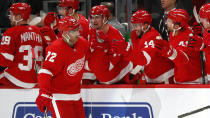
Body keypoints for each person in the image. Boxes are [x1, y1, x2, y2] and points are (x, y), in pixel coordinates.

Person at [36, 16, 89, 118]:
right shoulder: (56, 49)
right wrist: (43, 91)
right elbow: (45, 72)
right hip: (60, 98)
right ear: (65, 33)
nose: (78, 33)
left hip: (77, 96)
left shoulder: (83, 44)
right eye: (74, 31)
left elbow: (89, 61)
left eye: (78, 29)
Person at [0, 3, 45, 88]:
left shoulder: (11, 32)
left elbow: (4, 61)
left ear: (19, 17)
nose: (9, 17)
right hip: (36, 79)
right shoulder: (39, 31)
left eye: (12, 15)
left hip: (16, 79)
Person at [85, 5, 132, 84]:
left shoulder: (115, 36)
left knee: (105, 77)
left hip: (117, 73)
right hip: (102, 68)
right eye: (92, 17)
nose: (94, 21)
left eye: (97, 17)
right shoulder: (91, 31)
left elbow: (112, 65)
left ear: (105, 18)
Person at [124, 10, 174, 84]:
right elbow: (139, 56)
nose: (134, 29)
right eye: (133, 25)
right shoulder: (135, 35)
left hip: (165, 76)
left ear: (145, 25)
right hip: (151, 76)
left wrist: (134, 72)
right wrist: (135, 73)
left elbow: (145, 59)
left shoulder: (153, 36)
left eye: (136, 25)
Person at [155, 9, 203, 84]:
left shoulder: (189, 38)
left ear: (177, 26)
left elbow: (184, 59)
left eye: (169, 21)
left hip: (192, 81)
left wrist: (169, 51)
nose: (166, 22)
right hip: (180, 78)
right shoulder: (174, 33)